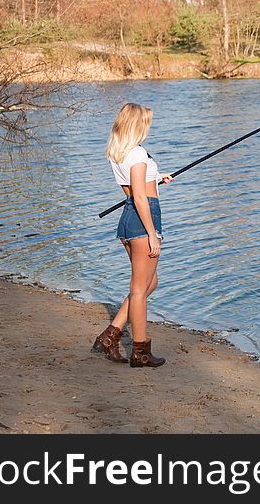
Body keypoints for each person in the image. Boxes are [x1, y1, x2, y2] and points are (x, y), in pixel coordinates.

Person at [93, 102, 173, 367]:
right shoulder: (137, 154)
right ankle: (140, 353)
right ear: (138, 126)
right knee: (139, 289)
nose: (148, 128)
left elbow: (133, 189)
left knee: (150, 283)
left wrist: (156, 178)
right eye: (146, 123)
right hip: (142, 218)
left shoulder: (118, 152)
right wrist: (152, 233)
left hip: (129, 219)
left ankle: (111, 335)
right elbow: (139, 197)